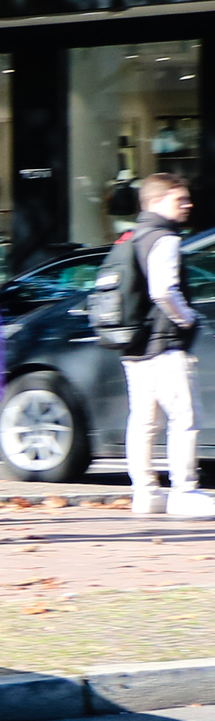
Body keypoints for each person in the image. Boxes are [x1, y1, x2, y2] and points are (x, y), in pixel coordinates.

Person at [118, 174, 208, 517]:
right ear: (156, 202)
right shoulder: (166, 238)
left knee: (143, 421)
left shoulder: (130, 237)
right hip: (165, 344)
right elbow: (163, 290)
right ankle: (184, 491)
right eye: (179, 200)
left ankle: (146, 493)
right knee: (184, 417)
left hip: (135, 346)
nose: (187, 205)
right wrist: (187, 319)